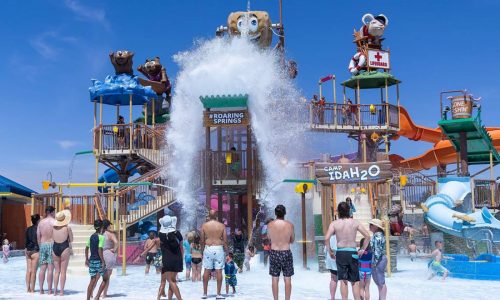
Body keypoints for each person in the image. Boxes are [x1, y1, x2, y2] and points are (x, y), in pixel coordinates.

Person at [324, 202, 370, 300]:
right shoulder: (355, 222)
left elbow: (326, 238)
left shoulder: (334, 224)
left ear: (338, 211)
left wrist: (330, 251)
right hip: (352, 253)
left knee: (343, 281)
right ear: (349, 210)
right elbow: (367, 236)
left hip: (341, 253)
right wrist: (362, 249)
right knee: (355, 281)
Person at [267, 205, 295, 300]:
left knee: (275, 278)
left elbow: (269, 238)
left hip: (274, 252)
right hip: (286, 252)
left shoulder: (270, 225)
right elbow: (292, 240)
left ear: (275, 213)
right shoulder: (290, 225)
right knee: (287, 278)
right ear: (285, 213)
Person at [201, 210, 228, 300]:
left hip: (208, 248)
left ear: (209, 215)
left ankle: (205, 293)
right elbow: (225, 240)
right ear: (216, 215)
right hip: (218, 248)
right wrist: (227, 252)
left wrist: (202, 251)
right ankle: (218, 294)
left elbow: (202, 240)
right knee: (219, 271)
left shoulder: (204, 225)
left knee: (206, 270)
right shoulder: (221, 226)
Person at [158, 215, 183, 300]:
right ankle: (170, 299)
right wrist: (181, 258)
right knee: (172, 280)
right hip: (177, 258)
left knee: (171, 281)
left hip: (167, 259)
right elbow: (181, 246)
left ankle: (180, 299)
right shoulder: (177, 234)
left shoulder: (161, 235)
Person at [52, 210, 73, 296]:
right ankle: (61, 292)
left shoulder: (53, 227)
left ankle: (55, 291)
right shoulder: (67, 228)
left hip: (55, 247)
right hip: (64, 247)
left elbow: (52, 238)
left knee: (57, 271)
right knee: (63, 271)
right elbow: (71, 240)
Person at [37, 206, 56, 295]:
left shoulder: (41, 222)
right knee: (50, 269)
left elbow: (38, 235)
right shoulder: (54, 222)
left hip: (43, 244)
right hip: (51, 244)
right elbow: (57, 235)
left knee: (42, 269)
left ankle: (41, 290)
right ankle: (49, 290)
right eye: (54, 212)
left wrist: (40, 246)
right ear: (52, 212)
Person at [85, 219, 105, 300]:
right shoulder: (101, 237)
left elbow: (86, 248)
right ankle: (97, 297)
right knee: (106, 278)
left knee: (92, 280)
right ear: (101, 227)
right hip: (98, 261)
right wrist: (103, 261)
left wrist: (86, 259)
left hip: (91, 261)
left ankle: (88, 299)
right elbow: (100, 249)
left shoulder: (91, 236)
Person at [98, 219, 118, 298]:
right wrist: (114, 249)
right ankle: (104, 294)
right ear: (108, 225)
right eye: (110, 225)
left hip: (99, 254)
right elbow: (116, 242)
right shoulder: (110, 234)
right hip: (108, 254)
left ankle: (92, 293)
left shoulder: (99, 233)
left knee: (96, 276)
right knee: (107, 277)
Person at [369, 219, 388, 300]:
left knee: (380, 281)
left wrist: (375, 262)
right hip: (379, 258)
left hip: (379, 259)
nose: (370, 226)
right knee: (379, 281)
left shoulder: (378, 236)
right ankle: (381, 298)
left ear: (376, 227)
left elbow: (378, 250)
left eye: (371, 225)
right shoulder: (377, 235)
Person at [25, 214, 40, 293]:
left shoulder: (27, 229)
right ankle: (33, 289)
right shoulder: (38, 229)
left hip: (28, 251)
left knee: (28, 271)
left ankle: (27, 288)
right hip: (35, 251)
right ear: (38, 221)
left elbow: (26, 241)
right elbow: (39, 241)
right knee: (34, 271)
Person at [324, 234, 338, 300]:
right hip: (341, 257)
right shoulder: (342, 235)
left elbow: (325, 250)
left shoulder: (330, 237)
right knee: (344, 279)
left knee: (333, 279)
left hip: (331, 258)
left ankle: (332, 298)